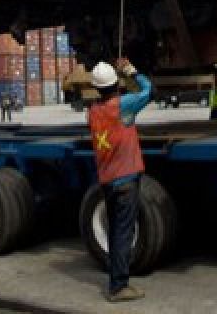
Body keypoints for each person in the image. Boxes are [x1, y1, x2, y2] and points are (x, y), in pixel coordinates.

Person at [87, 57, 152, 303]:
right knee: (123, 233)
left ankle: (116, 279)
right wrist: (130, 71)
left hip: (108, 181)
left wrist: (115, 83)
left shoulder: (93, 112)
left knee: (117, 232)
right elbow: (149, 91)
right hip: (126, 181)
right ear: (116, 86)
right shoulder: (123, 106)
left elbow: (105, 101)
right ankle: (118, 287)